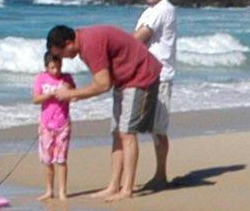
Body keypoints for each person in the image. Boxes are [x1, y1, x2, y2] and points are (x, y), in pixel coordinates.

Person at [45, 21, 164, 198]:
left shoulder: (90, 44)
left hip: (140, 76)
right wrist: (78, 93)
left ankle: (127, 189)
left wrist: (72, 94)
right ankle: (114, 185)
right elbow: (104, 81)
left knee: (127, 133)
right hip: (123, 80)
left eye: (61, 54)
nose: (63, 58)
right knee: (117, 133)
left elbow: (103, 85)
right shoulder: (84, 41)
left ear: (69, 43)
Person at [133, 0, 181, 187]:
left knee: (158, 128)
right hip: (146, 73)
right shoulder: (149, 11)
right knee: (150, 127)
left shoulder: (163, 9)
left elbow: (139, 38)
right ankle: (157, 175)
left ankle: (161, 174)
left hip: (160, 75)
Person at [33, 47, 77, 203]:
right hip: (46, 125)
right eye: (52, 68)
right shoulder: (41, 79)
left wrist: (69, 92)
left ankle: (62, 192)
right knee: (47, 160)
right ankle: (49, 190)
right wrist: (50, 94)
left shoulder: (66, 79)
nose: (56, 70)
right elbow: (35, 99)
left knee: (61, 160)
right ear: (46, 67)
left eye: (58, 67)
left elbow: (74, 96)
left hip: (63, 124)